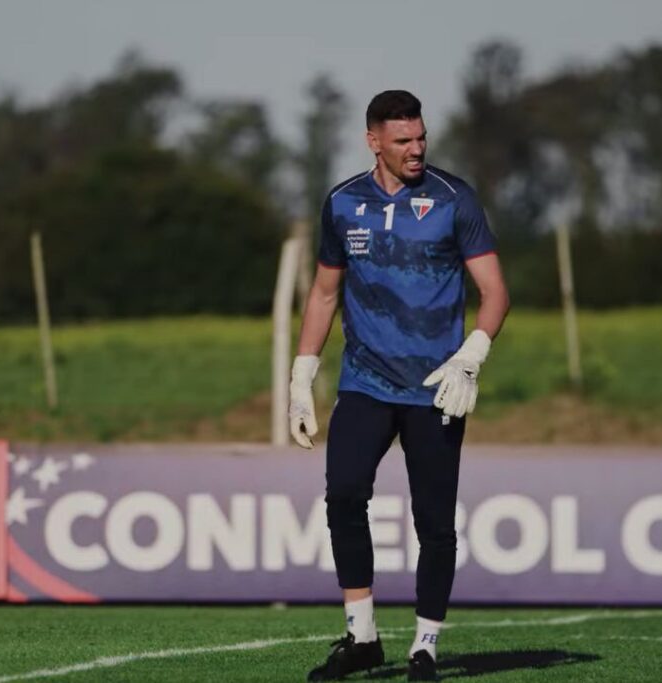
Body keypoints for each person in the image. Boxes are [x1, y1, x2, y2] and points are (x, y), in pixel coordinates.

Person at [289, 90, 509, 682]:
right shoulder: (342, 203)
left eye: (421, 138)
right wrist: (301, 373)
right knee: (343, 495)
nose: (416, 150)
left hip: (437, 387)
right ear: (374, 142)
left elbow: (495, 293)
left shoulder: (453, 198)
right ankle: (361, 637)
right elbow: (324, 293)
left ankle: (426, 647)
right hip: (364, 382)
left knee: (435, 523)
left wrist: (471, 357)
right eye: (403, 141)